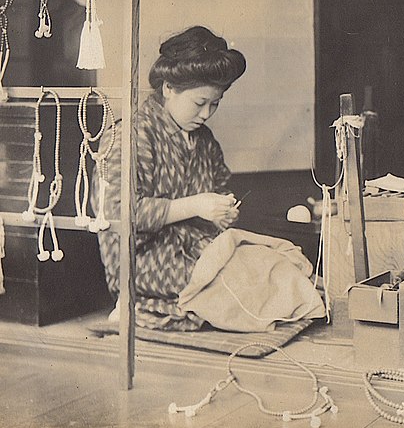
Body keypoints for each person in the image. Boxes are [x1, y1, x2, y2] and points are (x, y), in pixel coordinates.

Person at [93, 26, 322, 330]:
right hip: (145, 259)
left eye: (215, 104)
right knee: (247, 286)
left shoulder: (204, 141)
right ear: (168, 89)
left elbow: (219, 190)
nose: (206, 113)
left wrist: (223, 213)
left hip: (199, 247)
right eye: (199, 103)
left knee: (275, 266)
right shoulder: (131, 136)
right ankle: (134, 303)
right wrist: (195, 206)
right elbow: (116, 213)